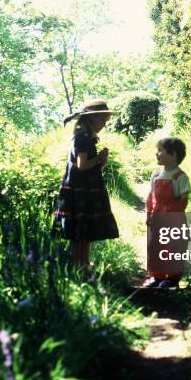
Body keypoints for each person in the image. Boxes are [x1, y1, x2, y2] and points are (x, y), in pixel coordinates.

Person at [54, 99, 120, 270]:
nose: (104, 125)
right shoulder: (83, 136)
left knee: (84, 230)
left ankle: (83, 265)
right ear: (92, 118)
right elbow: (82, 165)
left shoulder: (85, 135)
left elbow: (88, 166)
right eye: (102, 120)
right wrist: (99, 158)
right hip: (80, 189)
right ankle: (79, 265)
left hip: (84, 187)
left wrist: (100, 161)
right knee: (80, 230)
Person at [144, 137, 191, 288]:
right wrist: (149, 213)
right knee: (154, 246)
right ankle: (156, 277)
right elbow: (151, 197)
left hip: (173, 218)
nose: (156, 154)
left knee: (173, 246)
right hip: (157, 217)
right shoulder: (156, 175)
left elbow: (183, 200)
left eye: (160, 151)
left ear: (173, 155)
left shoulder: (180, 177)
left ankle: (172, 278)